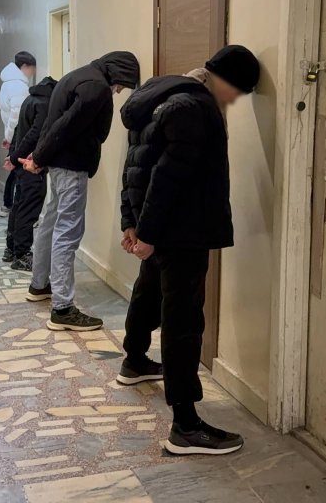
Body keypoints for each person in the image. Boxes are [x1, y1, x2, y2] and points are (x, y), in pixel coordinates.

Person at [117, 45, 260, 456]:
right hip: (183, 230)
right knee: (183, 321)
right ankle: (186, 425)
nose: (235, 101)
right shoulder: (195, 108)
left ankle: (135, 361)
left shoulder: (158, 97)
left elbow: (134, 166)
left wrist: (131, 222)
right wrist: (146, 232)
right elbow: (168, 177)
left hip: (160, 227)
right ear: (225, 79)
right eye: (238, 92)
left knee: (148, 291)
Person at [20, 51, 141, 331]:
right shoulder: (96, 87)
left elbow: (54, 123)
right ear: (117, 73)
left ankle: (39, 285)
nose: (118, 91)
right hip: (72, 166)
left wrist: (40, 156)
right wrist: (39, 157)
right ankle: (62, 309)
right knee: (68, 232)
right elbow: (66, 126)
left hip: (59, 164)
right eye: (121, 85)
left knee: (51, 223)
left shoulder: (76, 76)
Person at [5, 75, 58, 271]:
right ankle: (22, 254)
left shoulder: (30, 99)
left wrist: (13, 156)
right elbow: (35, 134)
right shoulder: (45, 104)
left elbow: (19, 130)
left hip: (21, 163)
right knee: (28, 210)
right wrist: (18, 158)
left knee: (19, 206)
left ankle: (11, 249)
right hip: (31, 164)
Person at [0, 51, 36, 223]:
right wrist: (11, 137)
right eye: (32, 69)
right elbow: (17, 116)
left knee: (14, 171)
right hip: (19, 135)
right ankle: (11, 207)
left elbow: (8, 115)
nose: (33, 73)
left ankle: (8, 205)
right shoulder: (19, 87)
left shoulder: (7, 84)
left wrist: (8, 136)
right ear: (25, 66)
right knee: (18, 172)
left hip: (13, 135)